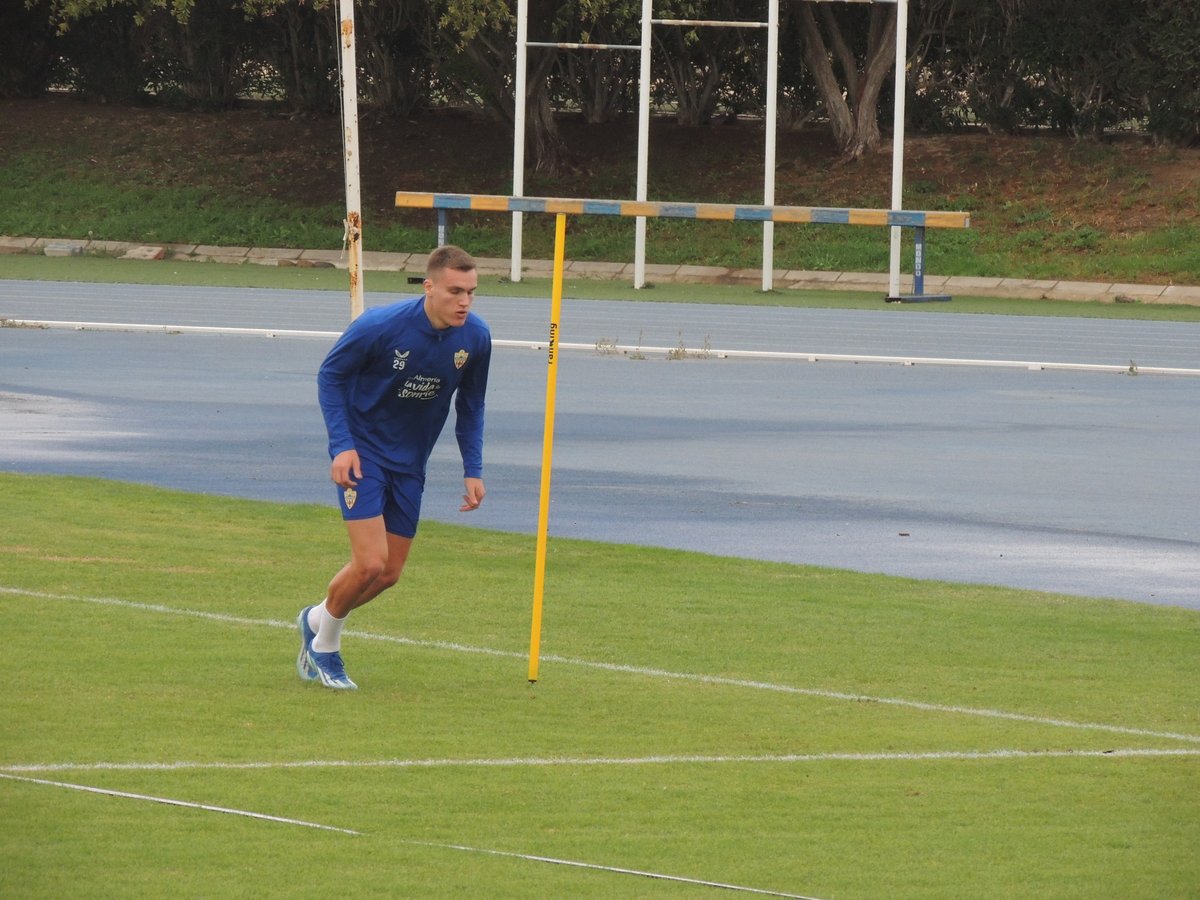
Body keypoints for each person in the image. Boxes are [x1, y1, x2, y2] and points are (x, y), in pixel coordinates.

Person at [297, 245, 492, 690]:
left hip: (411, 464)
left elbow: (473, 405)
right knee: (369, 563)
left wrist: (473, 468)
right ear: (430, 286)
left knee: (388, 574)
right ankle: (325, 649)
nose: (464, 301)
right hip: (363, 456)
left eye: (472, 293)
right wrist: (342, 446)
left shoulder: (476, 338)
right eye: (455, 291)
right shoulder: (380, 326)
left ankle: (314, 618)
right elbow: (330, 376)